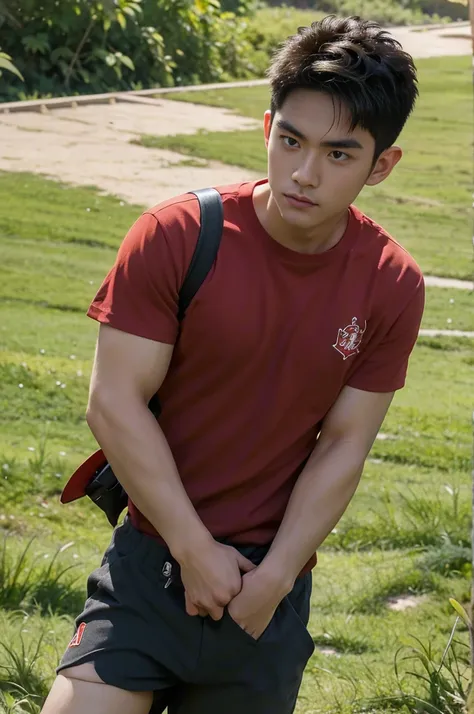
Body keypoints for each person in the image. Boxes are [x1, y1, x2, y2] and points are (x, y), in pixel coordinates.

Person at [41, 14, 425, 714]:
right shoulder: (179, 235)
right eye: (291, 141)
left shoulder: (391, 282)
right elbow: (114, 403)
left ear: (381, 165)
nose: (305, 173)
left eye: (340, 155)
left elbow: (345, 444)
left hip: (266, 591)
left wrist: (274, 579)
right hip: (149, 564)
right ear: (267, 127)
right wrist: (193, 550)